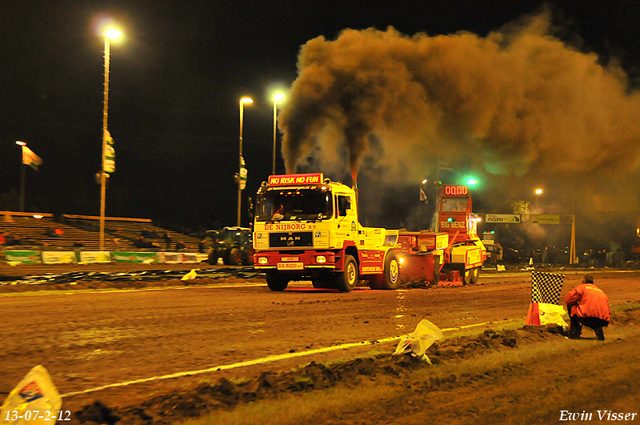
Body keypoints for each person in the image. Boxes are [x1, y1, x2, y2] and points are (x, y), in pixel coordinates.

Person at [565, 274, 611, 341]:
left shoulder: (582, 287)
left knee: (570, 305)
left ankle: (574, 333)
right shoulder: (600, 291)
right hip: (603, 320)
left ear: (583, 280)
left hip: (587, 318)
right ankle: (598, 329)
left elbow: (568, 299)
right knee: (596, 315)